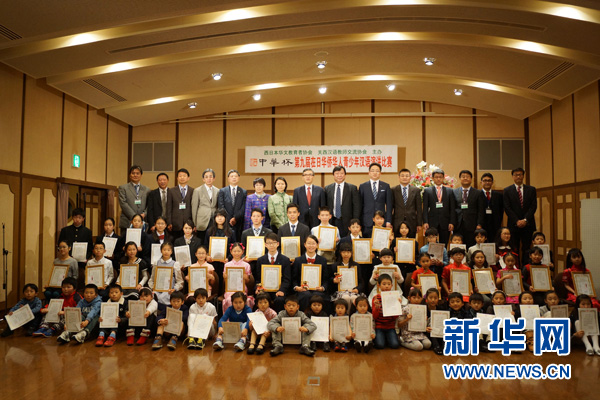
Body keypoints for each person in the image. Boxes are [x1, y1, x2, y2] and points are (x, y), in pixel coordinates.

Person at [503, 168, 537, 261]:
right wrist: (517, 221)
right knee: (514, 248)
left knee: (527, 248)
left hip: (528, 224)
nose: (518, 176)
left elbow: (533, 206)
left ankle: (525, 267)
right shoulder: (507, 190)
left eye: (520, 174)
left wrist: (525, 220)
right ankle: (516, 266)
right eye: (516, 175)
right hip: (514, 224)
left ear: (523, 176)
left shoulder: (531, 189)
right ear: (512, 177)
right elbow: (507, 208)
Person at [291, 235, 330, 313]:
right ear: (305, 245)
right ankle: (303, 316)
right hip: (302, 290)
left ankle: (319, 318)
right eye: (309, 243)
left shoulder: (322, 260)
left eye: (313, 243)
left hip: (317, 290)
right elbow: (294, 278)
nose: (311, 246)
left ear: (317, 245)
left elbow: (326, 279)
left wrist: (322, 288)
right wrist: (297, 287)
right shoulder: (298, 260)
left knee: (318, 296)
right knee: (305, 295)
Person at [254, 233, 292, 312]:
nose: (271, 245)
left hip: (279, 290)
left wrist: (282, 290)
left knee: (279, 300)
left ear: (278, 244)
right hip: (265, 290)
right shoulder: (260, 260)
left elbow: (287, 279)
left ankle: (278, 319)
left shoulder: (285, 260)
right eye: (269, 243)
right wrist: (258, 288)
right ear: (265, 245)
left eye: (273, 243)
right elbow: (258, 279)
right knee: (261, 298)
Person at [204, 209, 236, 295]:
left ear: (225, 218)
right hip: (212, 261)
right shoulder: (209, 231)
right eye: (217, 216)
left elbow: (234, 248)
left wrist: (228, 258)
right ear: (214, 218)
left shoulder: (231, 232)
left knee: (223, 280)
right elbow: (205, 246)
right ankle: (213, 296)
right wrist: (207, 256)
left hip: (225, 262)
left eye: (222, 216)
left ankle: (222, 296)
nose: (220, 218)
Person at [325, 165, 361, 237]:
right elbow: (325, 205)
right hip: (332, 220)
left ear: (345, 175)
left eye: (341, 173)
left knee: (346, 241)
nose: (339, 175)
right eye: (337, 173)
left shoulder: (352, 188)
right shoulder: (327, 188)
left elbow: (356, 206)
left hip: (347, 221)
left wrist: (355, 222)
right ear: (333, 175)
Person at [359, 162, 393, 237]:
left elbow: (389, 205)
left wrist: (388, 221)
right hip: (367, 222)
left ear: (380, 173)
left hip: (381, 221)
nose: (375, 173)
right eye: (372, 171)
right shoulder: (363, 186)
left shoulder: (385, 186)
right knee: (367, 242)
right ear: (369, 173)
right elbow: (360, 205)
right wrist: (360, 222)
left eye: (377, 171)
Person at [422, 169, 456, 244]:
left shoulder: (450, 191)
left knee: (444, 243)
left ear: (443, 178)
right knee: (432, 243)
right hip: (432, 221)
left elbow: (452, 208)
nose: (438, 179)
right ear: (432, 178)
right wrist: (425, 222)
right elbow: (425, 208)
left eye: (440, 177)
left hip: (445, 222)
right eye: (436, 177)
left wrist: (452, 222)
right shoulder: (427, 191)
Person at [453, 170, 484, 248]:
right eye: (463, 177)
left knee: (470, 245)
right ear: (460, 179)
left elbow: (481, 210)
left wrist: (479, 224)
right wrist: (452, 222)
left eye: (467, 177)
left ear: (471, 179)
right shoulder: (454, 192)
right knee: (458, 245)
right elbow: (452, 209)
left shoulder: (478, 192)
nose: (465, 178)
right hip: (458, 224)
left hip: (472, 224)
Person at [147, 242, 184, 307]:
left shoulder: (175, 264)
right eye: (164, 250)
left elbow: (180, 281)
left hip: (169, 291)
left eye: (168, 250)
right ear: (161, 251)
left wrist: (174, 289)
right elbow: (152, 279)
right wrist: (153, 288)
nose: (166, 252)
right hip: (157, 290)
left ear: (171, 252)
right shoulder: (156, 263)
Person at [222, 242, 255, 313]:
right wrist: (225, 277)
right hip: (230, 289)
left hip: (242, 288)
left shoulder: (246, 265)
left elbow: (248, 282)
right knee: (229, 300)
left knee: (242, 299)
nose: (236, 253)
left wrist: (246, 278)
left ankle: (243, 318)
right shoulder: (227, 265)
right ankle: (230, 318)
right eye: (234, 251)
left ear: (242, 252)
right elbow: (225, 282)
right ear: (231, 252)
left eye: (239, 251)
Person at [240, 208, 273, 278]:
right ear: (251, 217)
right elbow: (243, 248)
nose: (256, 218)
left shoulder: (268, 232)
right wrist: (244, 258)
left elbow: (271, 247)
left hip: (264, 262)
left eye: (258, 216)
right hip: (250, 262)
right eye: (254, 216)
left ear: (262, 218)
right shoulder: (245, 233)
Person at [372, 274, 401, 349]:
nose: (387, 286)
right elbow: (374, 317)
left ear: (392, 285)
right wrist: (377, 308)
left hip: (390, 326)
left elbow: (395, 317)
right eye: (384, 284)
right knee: (380, 345)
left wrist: (398, 306)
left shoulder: (395, 297)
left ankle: (388, 338)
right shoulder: (376, 298)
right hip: (379, 326)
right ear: (378, 285)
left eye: (389, 284)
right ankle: (384, 338)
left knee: (395, 345)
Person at [217, 169, 247, 243]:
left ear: (239, 178)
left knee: (238, 241)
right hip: (226, 221)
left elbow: (243, 207)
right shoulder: (222, 191)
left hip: (238, 221)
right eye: (232, 176)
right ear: (228, 178)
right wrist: (229, 218)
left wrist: (235, 218)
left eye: (235, 176)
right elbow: (221, 206)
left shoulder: (243, 192)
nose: (234, 178)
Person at [330, 242, 362, 310]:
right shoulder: (335, 265)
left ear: (351, 253)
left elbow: (361, 281)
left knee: (354, 298)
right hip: (340, 291)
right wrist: (334, 280)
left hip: (353, 291)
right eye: (344, 252)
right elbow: (330, 279)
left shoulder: (356, 266)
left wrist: (357, 289)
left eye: (348, 252)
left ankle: (352, 315)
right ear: (340, 253)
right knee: (345, 298)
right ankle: (346, 315)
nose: (346, 254)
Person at [392, 168, 422, 238]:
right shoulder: (393, 190)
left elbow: (419, 209)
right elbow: (390, 208)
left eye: (407, 176)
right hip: (397, 222)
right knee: (397, 242)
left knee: (411, 242)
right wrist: (390, 222)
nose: (404, 177)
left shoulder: (416, 190)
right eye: (402, 176)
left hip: (412, 222)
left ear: (410, 177)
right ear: (399, 177)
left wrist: (419, 224)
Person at [118, 165, 150, 231]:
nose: (135, 175)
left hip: (142, 221)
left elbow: (149, 204)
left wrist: (144, 214)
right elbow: (123, 203)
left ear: (141, 175)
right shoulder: (123, 188)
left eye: (137, 173)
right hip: (127, 221)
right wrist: (135, 217)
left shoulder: (147, 189)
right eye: (133, 173)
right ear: (130, 175)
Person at [191, 168, 219, 243]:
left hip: (213, 219)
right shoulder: (197, 190)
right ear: (203, 179)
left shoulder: (217, 191)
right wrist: (194, 223)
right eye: (206, 177)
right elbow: (194, 208)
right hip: (201, 220)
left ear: (214, 178)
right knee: (201, 241)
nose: (209, 179)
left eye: (210, 176)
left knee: (212, 241)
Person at [166, 168, 194, 240]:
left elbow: (194, 207)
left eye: (184, 176)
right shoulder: (171, 191)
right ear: (177, 178)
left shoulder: (193, 191)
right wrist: (169, 222)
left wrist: (194, 222)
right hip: (175, 223)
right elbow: (169, 207)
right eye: (180, 176)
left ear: (188, 178)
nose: (182, 177)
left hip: (189, 222)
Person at [393, 222, 419, 294]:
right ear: (399, 229)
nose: (404, 230)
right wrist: (394, 251)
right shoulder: (395, 241)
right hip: (399, 266)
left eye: (406, 228)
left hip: (410, 266)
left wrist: (414, 261)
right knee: (399, 285)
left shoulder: (414, 242)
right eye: (402, 228)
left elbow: (417, 256)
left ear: (409, 229)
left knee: (408, 285)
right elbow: (391, 256)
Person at [479, 173, 503, 241]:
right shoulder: (477, 194)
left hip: (495, 225)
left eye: (489, 180)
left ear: (492, 182)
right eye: (485, 180)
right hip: (482, 225)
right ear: (481, 182)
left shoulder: (499, 195)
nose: (487, 182)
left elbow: (501, 210)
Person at [424, 288, 445, 355]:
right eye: (430, 298)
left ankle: (444, 346)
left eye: (435, 298)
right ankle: (436, 346)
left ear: (438, 299)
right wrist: (425, 328)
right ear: (426, 298)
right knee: (432, 331)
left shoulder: (441, 309)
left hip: (439, 331)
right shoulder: (423, 310)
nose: (433, 300)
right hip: (427, 332)